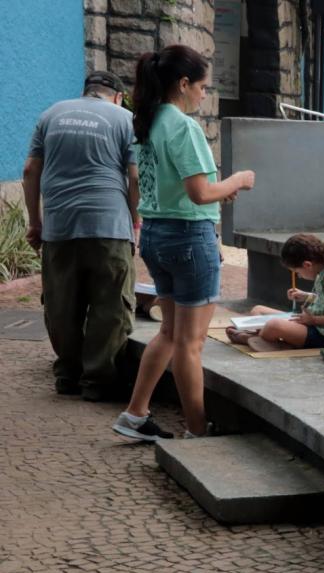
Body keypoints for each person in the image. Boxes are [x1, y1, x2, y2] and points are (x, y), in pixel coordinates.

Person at [112, 45, 255, 442]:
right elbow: (199, 193)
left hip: (157, 235)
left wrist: (214, 190)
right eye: (203, 87)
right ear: (183, 83)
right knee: (190, 344)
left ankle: (135, 413)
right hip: (189, 238)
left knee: (170, 334)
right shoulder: (183, 126)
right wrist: (238, 180)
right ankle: (197, 429)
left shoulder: (148, 121)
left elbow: (148, 183)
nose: (204, 95)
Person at [23, 69, 138, 401]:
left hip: (60, 226)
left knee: (62, 303)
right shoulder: (124, 119)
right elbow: (135, 177)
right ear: (116, 96)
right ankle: (98, 382)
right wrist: (134, 222)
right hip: (109, 226)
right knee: (111, 304)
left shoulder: (51, 114)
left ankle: (67, 376)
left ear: (86, 92)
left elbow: (30, 169)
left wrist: (36, 222)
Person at [226, 234, 324, 351]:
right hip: (310, 323)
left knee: (273, 325)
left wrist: (313, 320)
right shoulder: (323, 272)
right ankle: (263, 339)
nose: (299, 276)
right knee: (257, 310)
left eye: (297, 272)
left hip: (323, 334)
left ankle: (252, 338)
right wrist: (306, 296)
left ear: (307, 265)